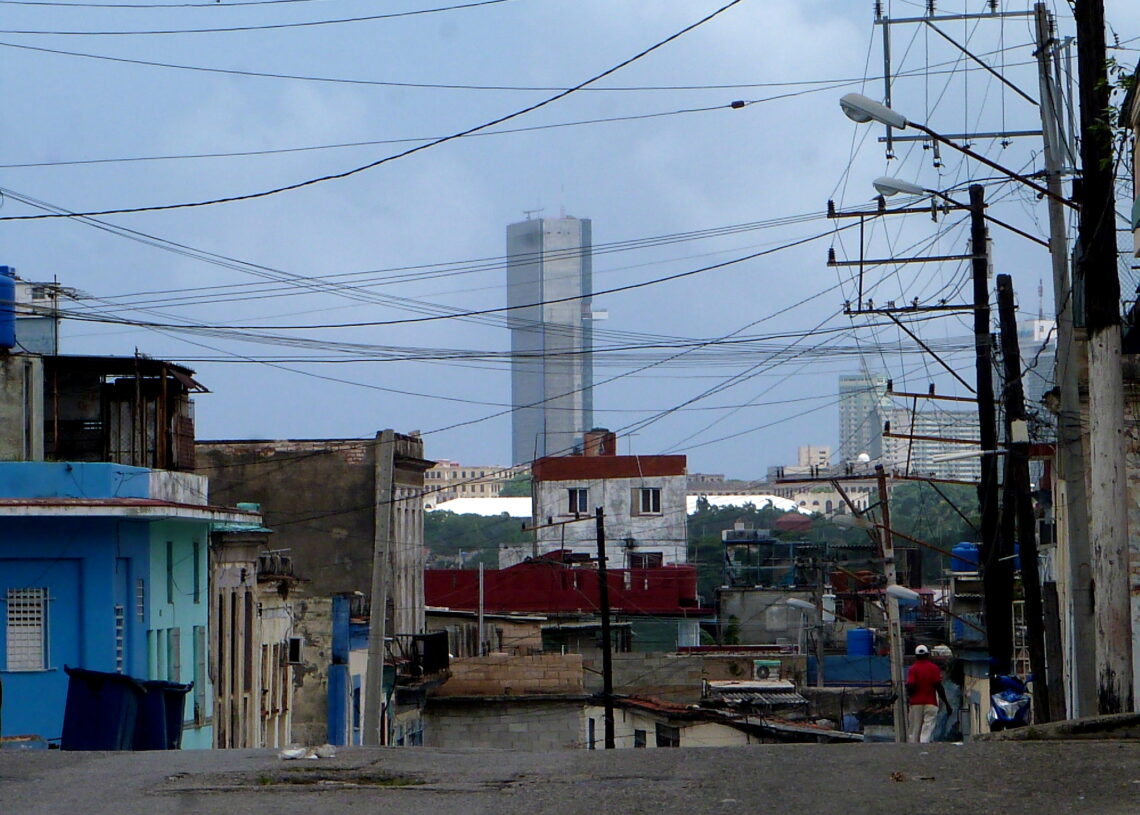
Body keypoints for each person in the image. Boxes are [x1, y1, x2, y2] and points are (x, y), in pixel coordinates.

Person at [906, 644, 950, 743]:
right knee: (928, 728)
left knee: (915, 729)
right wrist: (947, 704)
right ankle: (924, 745)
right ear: (927, 655)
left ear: (916, 656)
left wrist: (910, 696)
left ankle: (914, 750)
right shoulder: (934, 668)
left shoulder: (913, 669)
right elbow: (939, 687)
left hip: (916, 703)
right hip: (931, 703)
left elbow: (911, 685)